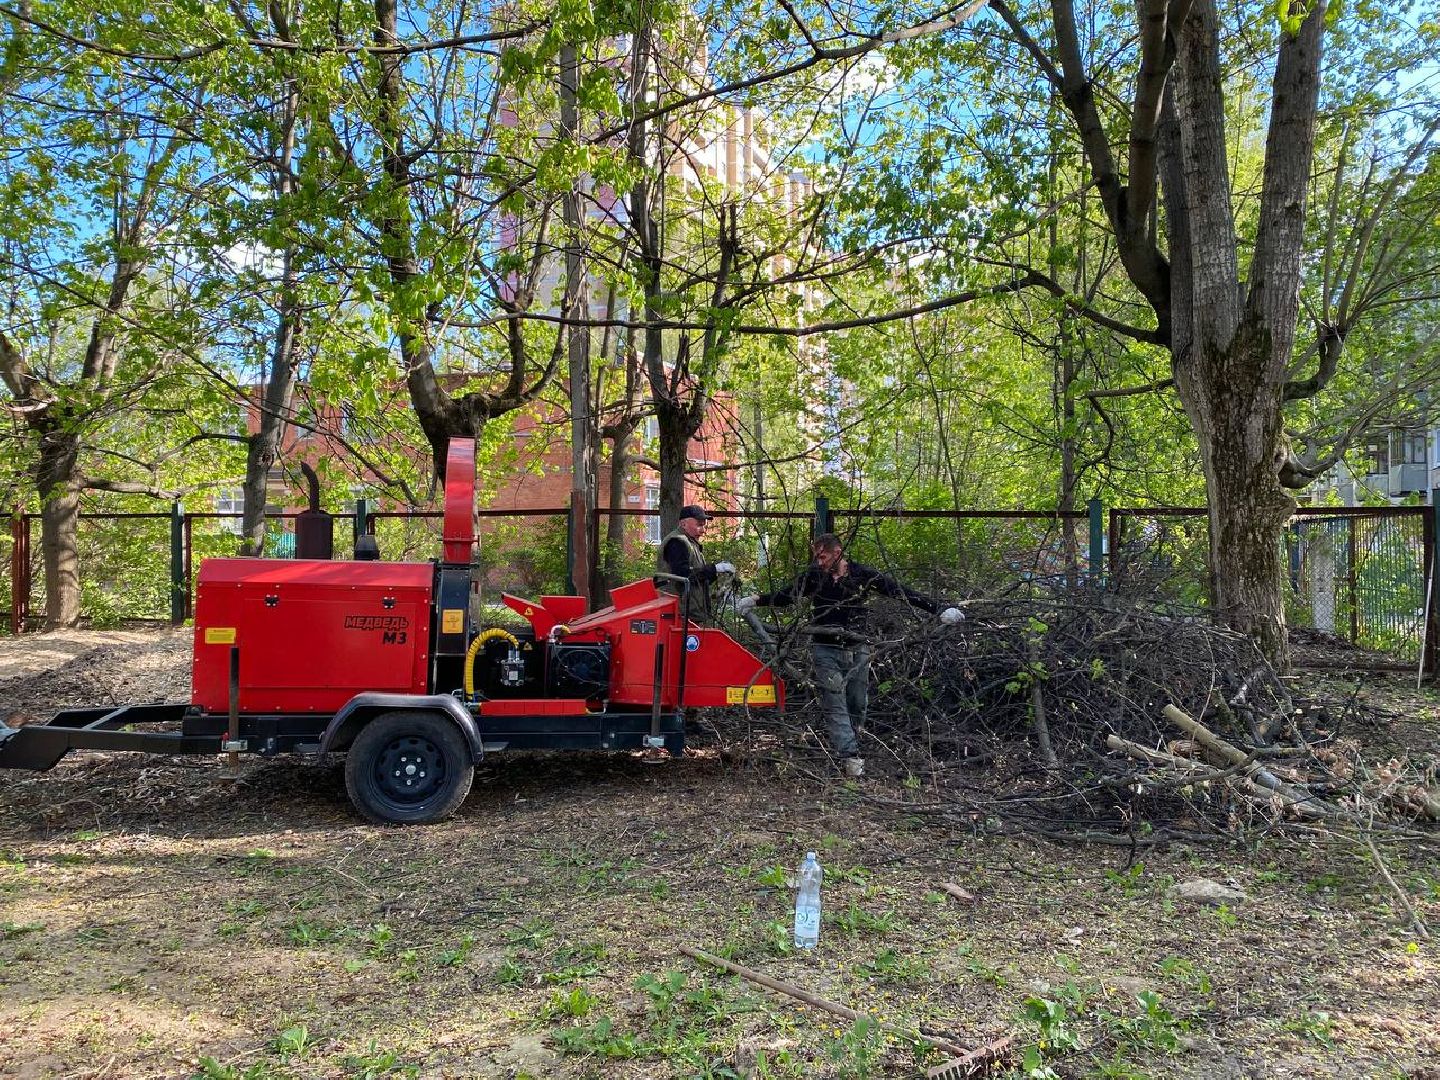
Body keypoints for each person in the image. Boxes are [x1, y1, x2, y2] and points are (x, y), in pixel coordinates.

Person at [735, 533, 962, 778]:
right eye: (816, 557)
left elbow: (898, 591)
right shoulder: (814, 576)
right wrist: (755, 600)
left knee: (857, 701)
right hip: (825, 649)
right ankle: (850, 757)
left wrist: (940, 609)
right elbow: (787, 595)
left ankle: (854, 741)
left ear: (837, 552)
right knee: (835, 702)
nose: (819, 562)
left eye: (823, 556)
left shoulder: (860, 575)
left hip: (857, 649)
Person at [656, 504, 735, 623]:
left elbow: (697, 578)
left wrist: (716, 574)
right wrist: (714, 569)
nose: (703, 530)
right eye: (699, 525)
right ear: (683, 524)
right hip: (679, 615)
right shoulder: (677, 543)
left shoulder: (690, 543)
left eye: (704, 525)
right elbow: (683, 575)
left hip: (689, 613)